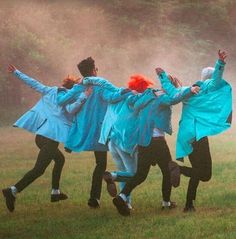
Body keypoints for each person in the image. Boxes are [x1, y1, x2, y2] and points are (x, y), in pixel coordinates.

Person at [2, 64, 92, 212]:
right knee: (39, 170)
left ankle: (55, 192)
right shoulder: (69, 100)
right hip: (50, 138)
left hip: (41, 137)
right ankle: (12, 190)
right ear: (72, 89)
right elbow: (73, 110)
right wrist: (84, 96)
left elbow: (33, 83)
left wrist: (17, 72)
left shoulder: (50, 90)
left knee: (59, 159)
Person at [112, 70, 200, 216]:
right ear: (171, 86)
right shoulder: (164, 98)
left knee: (140, 174)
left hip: (143, 141)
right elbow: (175, 98)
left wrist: (131, 94)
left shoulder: (148, 94)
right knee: (168, 171)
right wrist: (190, 90)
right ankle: (166, 203)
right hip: (157, 142)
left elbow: (133, 103)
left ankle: (121, 196)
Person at [157, 50, 232, 212]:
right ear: (209, 79)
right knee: (205, 174)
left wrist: (163, 76)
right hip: (198, 135)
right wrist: (220, 63)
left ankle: (189, 204)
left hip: (186, 136)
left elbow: (171, 92)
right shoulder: (208, 88)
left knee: (198, 171)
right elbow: (217, 79)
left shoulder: (188, 90)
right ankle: (180, 171)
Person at [57, 57, 130, 208]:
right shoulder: (100, 87)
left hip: (84, 131)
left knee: (100, 163)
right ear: (92, 71)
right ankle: (100, 193)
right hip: (100, 131)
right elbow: (113, 97)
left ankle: (95, 197)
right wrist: (125, 92)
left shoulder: (78, 87)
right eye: (96, 69)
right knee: (103, 163)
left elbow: (62, 101)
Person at [82, 74, 155, 210]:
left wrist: (87, 79)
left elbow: (103, 82)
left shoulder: (117, 93)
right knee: (134, 174)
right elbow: (143, 101)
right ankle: (113, 177)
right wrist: (156, 93)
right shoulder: (134, 98)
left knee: (123, 170)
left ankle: (126, 202)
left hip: (110, 139)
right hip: (124, 141)